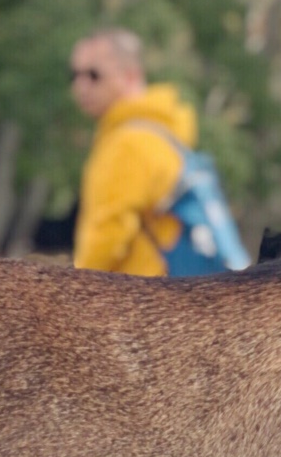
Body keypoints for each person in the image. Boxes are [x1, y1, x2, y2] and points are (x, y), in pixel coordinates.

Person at [69, 28, 197, 276]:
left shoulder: (128, 143)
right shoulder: (162, 134)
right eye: (74, 75)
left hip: (138, 300)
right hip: (173, 292)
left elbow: (109, 232)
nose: (80, 86)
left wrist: (73, 295)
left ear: (129, 76)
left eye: (94, 75)